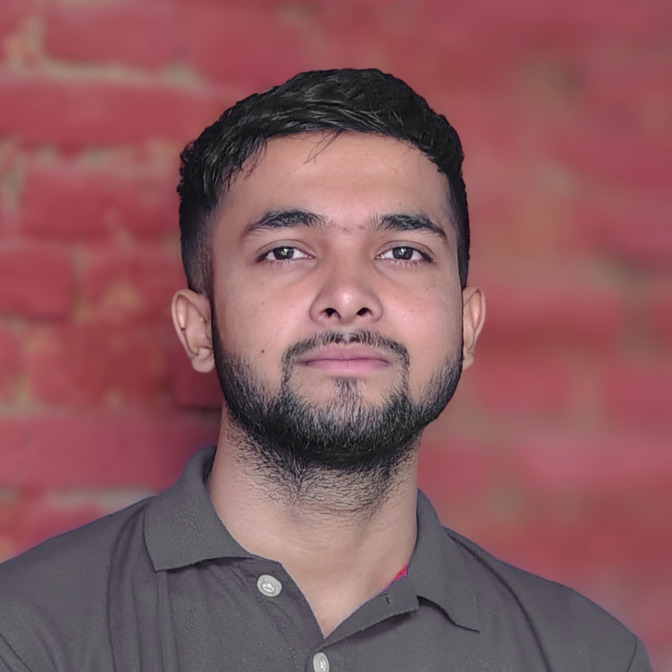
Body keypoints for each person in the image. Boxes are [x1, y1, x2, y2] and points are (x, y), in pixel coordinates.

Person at [0, 69, 652, 672]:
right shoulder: (28, 635)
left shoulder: (589, 658)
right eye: (286, 251)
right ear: (198, 328)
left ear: (466, 325)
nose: (347, 294)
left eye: (403, 251)